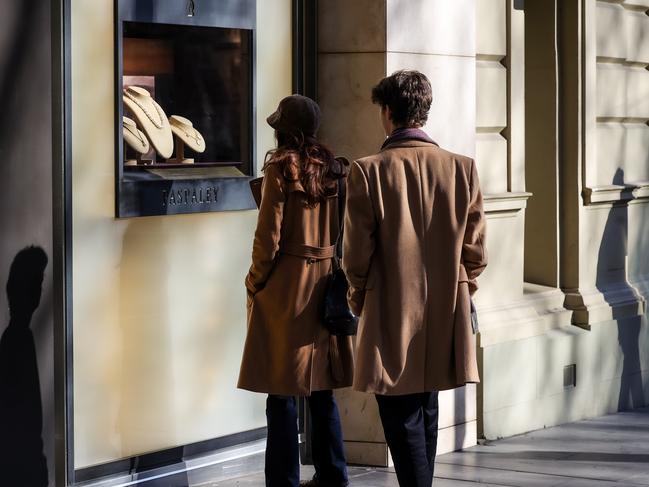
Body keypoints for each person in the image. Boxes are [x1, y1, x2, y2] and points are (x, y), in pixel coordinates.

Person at [342, 70, 488, 487]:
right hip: (445, 313)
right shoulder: (462, 169)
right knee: (425, 415)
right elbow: (476, 254)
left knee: (404, 423)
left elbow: (355, 258)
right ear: (424, 112)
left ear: (388, 112)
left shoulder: (368, 172)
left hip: (390, 312)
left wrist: (360, 300)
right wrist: (457, 290)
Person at [238, 95, 354, 487]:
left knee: (281, 394)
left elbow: (267, 238)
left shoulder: (280, 168)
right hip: (323, 284)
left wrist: (255, 281)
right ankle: (334, 476)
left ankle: (283, 481)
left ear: (284, 130)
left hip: (286, 285)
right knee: (321, 392)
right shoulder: (336, 170)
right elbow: (346, 232)